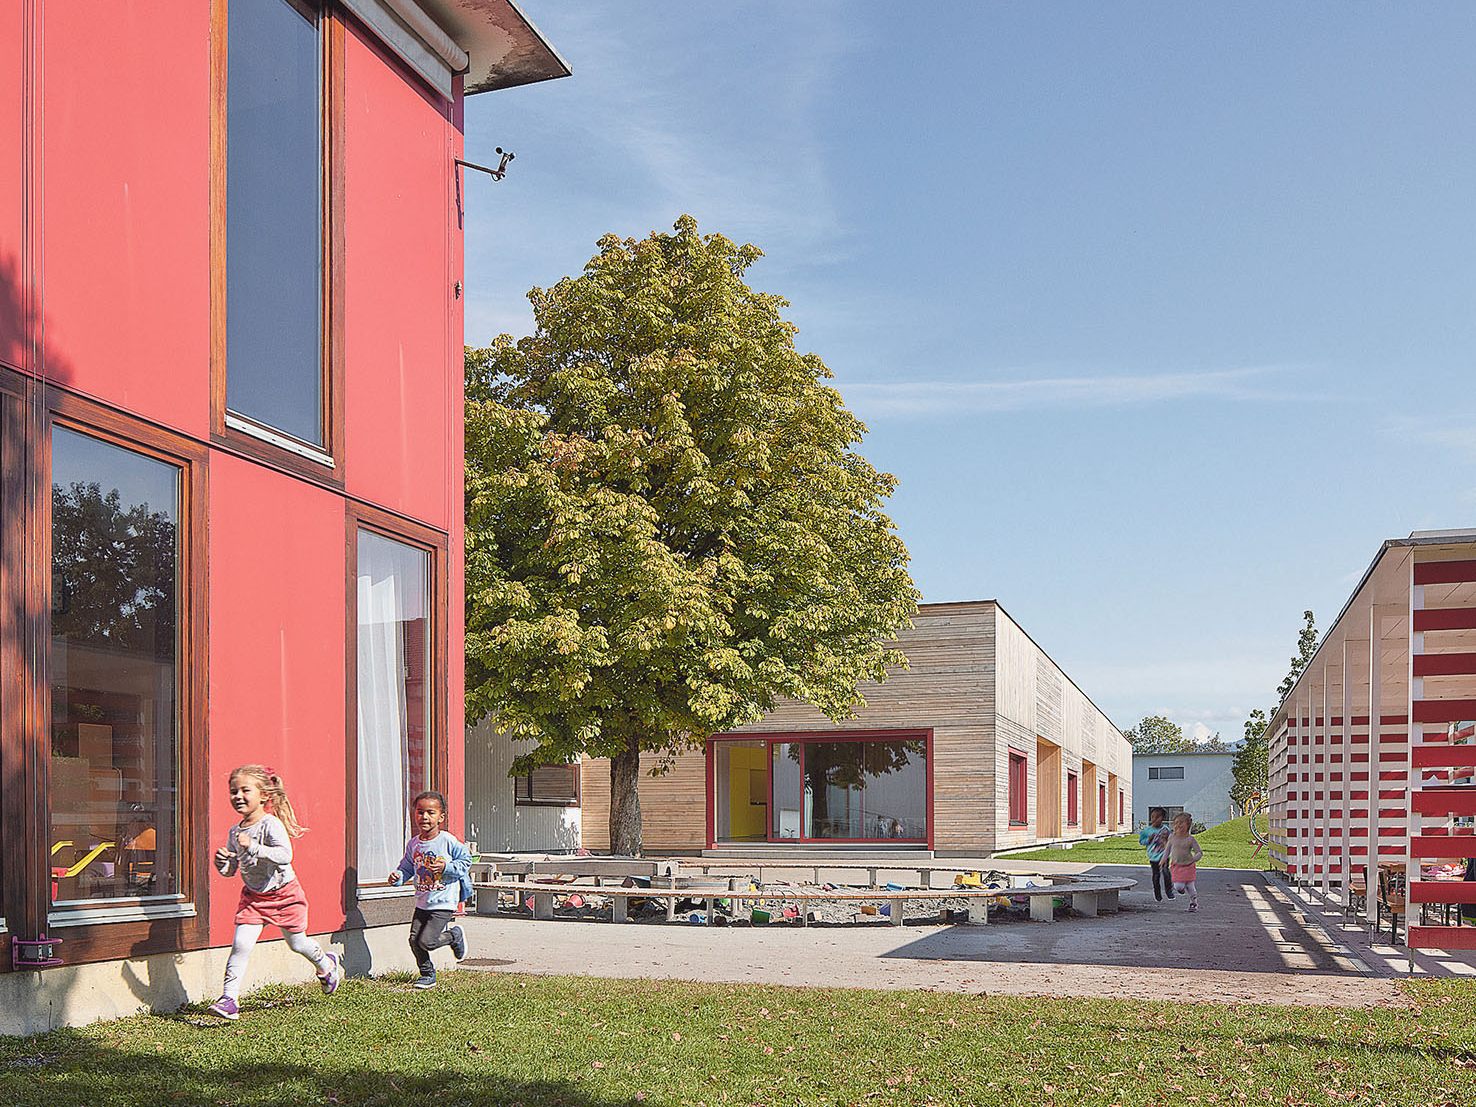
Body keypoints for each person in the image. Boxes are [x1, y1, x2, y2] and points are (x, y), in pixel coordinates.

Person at [209, 765, 342, 1020]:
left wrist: (254, 846)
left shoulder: (270, 824)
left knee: (297, 944)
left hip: (284, 895)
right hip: (254, 898)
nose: (238, 796)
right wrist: (223, 863)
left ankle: (326, 964)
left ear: (263, 795)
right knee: (240, 945)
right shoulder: (235, 832)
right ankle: (229, 999)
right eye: (233, 791)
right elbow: (232, 869)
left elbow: (285, 855)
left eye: (245, 790)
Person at [388, 790, 471, 989]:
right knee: (414, 940)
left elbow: (466, 861)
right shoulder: (414, 844)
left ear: (441, 817)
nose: (424, 817)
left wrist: (446, 867)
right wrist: (398, 877)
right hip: (423, 900)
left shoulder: (447, 841)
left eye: (430, 813)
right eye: (420, 812)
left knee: (427, 941)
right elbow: (407, 867)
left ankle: (454, 936)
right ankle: (427, 974)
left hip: (444, 900)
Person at [1165, 811, 1204, 912]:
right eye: (1176, 823)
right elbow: (1167, 849)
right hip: (1176, 866)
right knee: (1178, 886)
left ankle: (1193, 903)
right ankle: (1181, 889)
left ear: (1188, 825)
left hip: (1188, 866)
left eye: (1181, 823)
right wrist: (1163, 859)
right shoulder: (1172, 837)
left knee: (1190, 887)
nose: (1178, 825)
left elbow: (1199, 852)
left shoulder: (1190, 839)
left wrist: (1194, 859)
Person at [1137, 807, 1174, 902]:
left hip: (1164, 855)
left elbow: (1170, 840)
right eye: (1152, 817)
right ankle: (1157, 893)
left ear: (1162, 818)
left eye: (1157, 817)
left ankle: (1169, 890)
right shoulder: (1147, 831)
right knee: (1156, 875)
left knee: (1166, 872)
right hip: (1153, 856)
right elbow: (1141, 841)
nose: (1154, 819)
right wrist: (1148, 840)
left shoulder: (1165, 829)